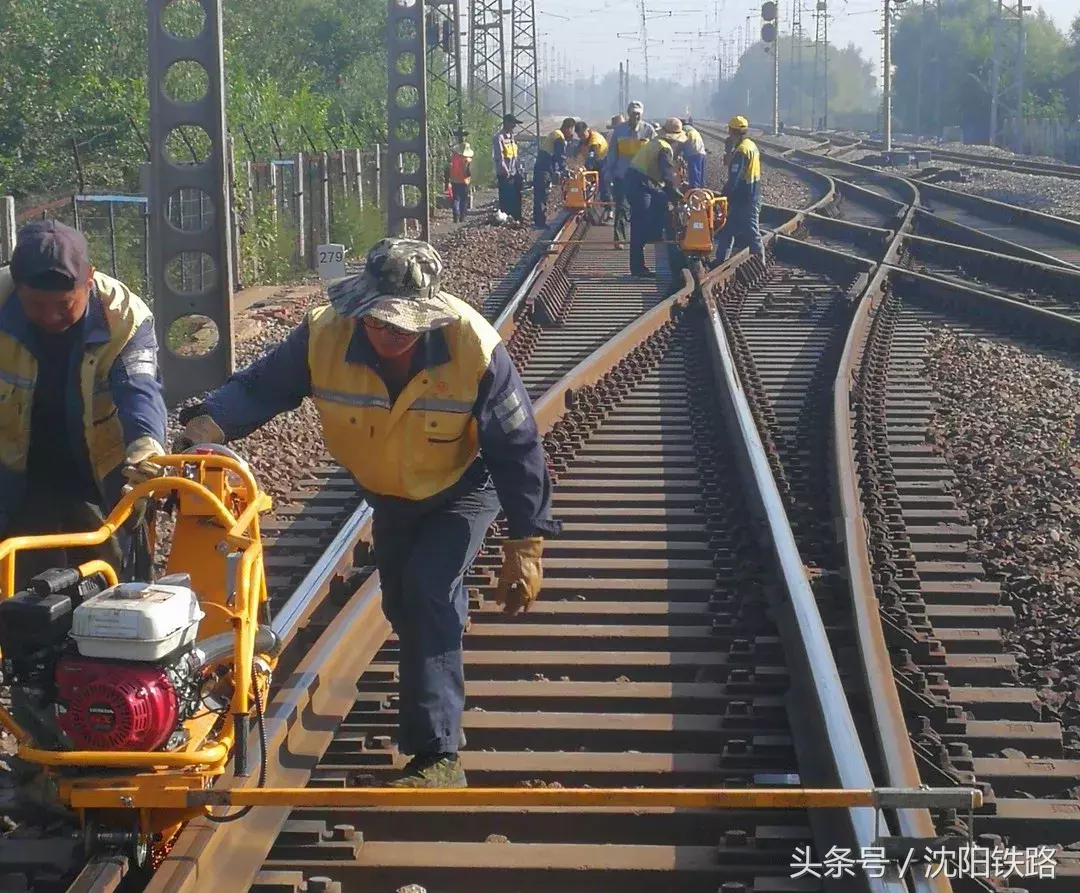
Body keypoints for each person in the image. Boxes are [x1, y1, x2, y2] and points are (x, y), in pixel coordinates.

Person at [174, 237, 559, 789]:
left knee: (429, 591)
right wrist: (203, 430)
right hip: (390, 493)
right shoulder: (324, 333)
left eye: (402, 325)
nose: (387, 333)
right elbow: (261, 388)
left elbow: (517, 444)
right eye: (378, 320)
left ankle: (439, 756)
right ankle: (437, 648)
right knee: (404, 601)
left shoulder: (473, 346)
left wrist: (526, 542)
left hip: (461, 485)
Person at [0, 220, 167, 590]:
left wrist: (145, 449)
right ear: (16, 286)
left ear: (88, 280)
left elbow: (139, 388)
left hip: (98, 467)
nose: (49, 317)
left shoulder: (124, 317)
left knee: (111, 573)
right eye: (35, 305)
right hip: (17, 468)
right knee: (23, 582)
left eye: (63, 305)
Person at [625, 117, 688, 281]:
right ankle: (638, 267)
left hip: (641, 180)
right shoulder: (664, 149)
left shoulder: (658, 142)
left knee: (660, 201)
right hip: (638, 183)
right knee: (640, 221)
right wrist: (678, 197)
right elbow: (667, 177)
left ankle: (656, 233)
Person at [604, 102, 655, 251]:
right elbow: (612, 154)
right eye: (633, 113)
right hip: (622, 175)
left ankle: (640, 240)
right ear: (628, 113)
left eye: (638, 113)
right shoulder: (618, 131)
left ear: (642, 114)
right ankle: (619, 239)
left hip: (641, 176)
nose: (636, 116)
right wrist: (609, 172)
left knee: (642, 209)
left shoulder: (649, 130)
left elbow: (655, 152)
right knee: (622, 208)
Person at [715, 115, 765, 265]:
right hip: (750, 194)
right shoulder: (751, 145)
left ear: (731, 131)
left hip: (746, 198)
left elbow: (735, 179)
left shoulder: (741, 151)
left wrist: (724, 196)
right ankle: (720, 262)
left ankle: (760, 262)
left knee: (751, 231)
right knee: (728, 229)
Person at [533, 117, 576, 228]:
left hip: (542, 167)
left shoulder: (555, 133)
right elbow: (559, 157)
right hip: (544, 169)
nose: (571, 133)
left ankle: (539, 221)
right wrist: (565, 170)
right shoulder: (559, 138)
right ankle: (540, 223)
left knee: (541, 195)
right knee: (542, 195)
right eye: (572, 130)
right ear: (569, 128)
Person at [572, 121, 610, 222]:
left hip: (604, 163)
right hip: (595, 164)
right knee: (586, 185)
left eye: (582, 135)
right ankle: (587, 206)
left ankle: (609, 210)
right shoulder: (584, 140)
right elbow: (577, 151)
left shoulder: (595, 139)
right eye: (579, 136)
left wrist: (585, 168)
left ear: (587, 130)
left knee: (603, 186)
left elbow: (591, 157)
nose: (581, 137)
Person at [493, 114, 524, 222]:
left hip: (514, 173)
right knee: (507, 199)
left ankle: (516, 219)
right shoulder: (499, 137)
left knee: (516, 198)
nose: (514, 126)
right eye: (513, 123)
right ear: (506, 123)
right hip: (505, 174)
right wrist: (505, 171)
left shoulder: (512, 137)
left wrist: (518, 171)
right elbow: (499, 157)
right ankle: (506, 220)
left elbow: (515, 157)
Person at [445, 140, 474, 224]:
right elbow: (469, 172)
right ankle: (462, 217)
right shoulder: (467, 160)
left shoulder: (453, 157)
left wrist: (447, 181)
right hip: (465, 181)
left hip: (454, 180)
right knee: (463, 199)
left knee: (456, 199)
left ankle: (455, 216)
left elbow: (448, 168)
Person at [682, 120, 707, 189]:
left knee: (694, 173)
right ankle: (702, 188)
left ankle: (694, 190)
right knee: (701, 174)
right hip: (702, 151)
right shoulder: (693, 129)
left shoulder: (683, 129)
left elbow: (680, 142)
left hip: (693, 152)